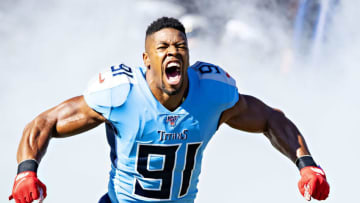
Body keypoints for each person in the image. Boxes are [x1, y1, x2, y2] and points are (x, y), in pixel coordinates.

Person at [9, 17, 329, 203]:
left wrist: (307, 164)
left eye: (180, 46)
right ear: (146, 60)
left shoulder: (212, 93)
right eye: (162, 48)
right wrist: (26, 172)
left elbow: (270, 118)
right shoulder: (122, 94)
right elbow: (46, 122)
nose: (172, 52)